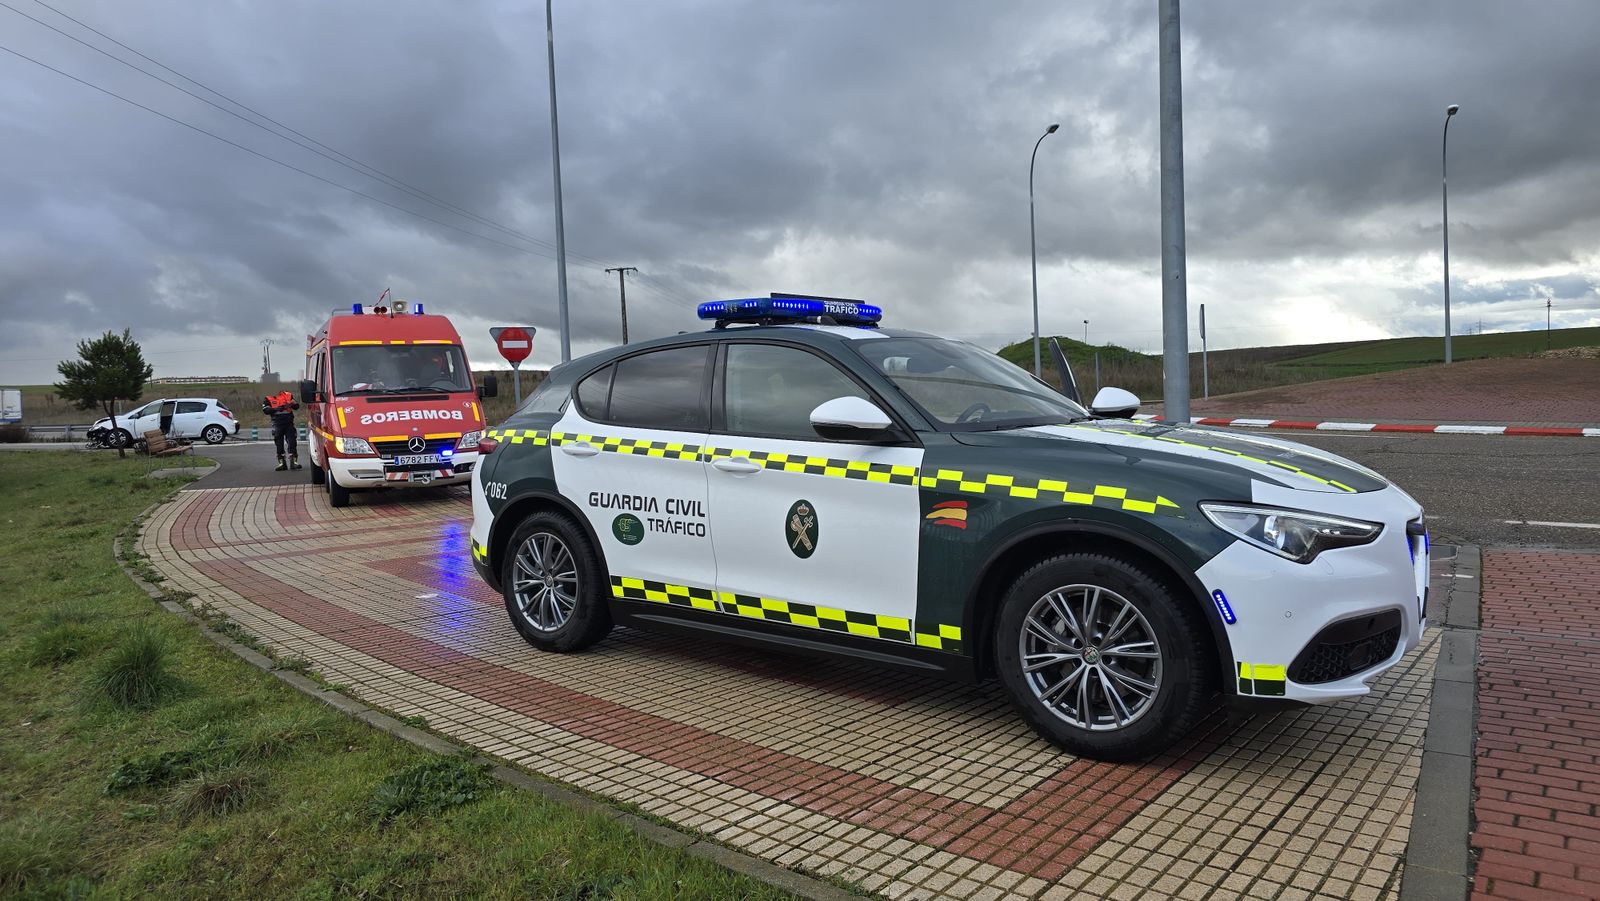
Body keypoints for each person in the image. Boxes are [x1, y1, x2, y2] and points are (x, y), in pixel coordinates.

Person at [261, 390, 303, 472]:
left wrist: (292, 404)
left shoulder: (288, 395)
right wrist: (276, 409)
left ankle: (293, 462)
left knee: (292, 441)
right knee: (279, 443)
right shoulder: (268, 397)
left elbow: (296, 406)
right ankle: (282, 463)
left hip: (289, 423)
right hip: (277, 423)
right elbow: (265, 410)